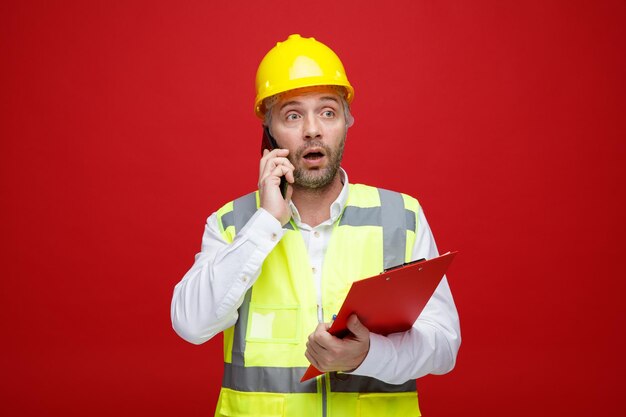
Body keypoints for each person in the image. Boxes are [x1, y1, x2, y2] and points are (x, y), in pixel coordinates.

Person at [171, 34, 461, 417]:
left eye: (327, 112)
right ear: (269, 128)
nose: (312, 130)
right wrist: (265, 223)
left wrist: (368, 355)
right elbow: (191, 324)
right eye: (293, 115)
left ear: (346, 121)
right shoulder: (233, 223)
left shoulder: (401, 217)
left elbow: (444, 347)